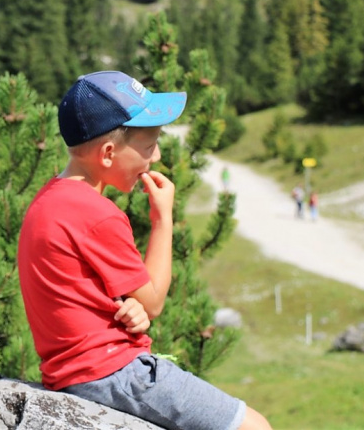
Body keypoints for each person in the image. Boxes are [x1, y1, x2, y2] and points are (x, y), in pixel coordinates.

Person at [17, 70, 272, 430]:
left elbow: (92, 290)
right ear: (108, 153)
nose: (157, 155)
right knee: (254, 426)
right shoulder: (97, 213)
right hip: (110, 372)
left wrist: (129, 309)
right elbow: (153, 301)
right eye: (150, 145)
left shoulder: (51, 199)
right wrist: (162, 219)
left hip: (74, 371)